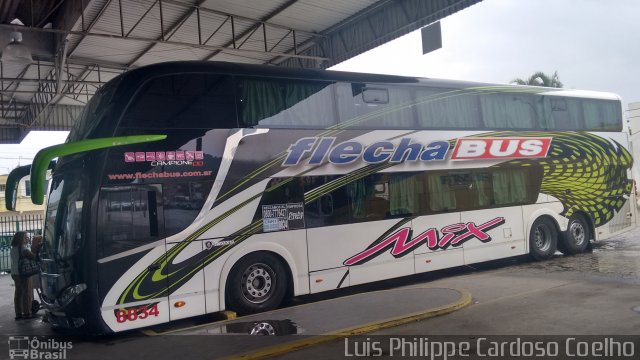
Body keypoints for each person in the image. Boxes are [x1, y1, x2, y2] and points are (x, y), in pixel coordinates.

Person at [10, 231, 36, 320]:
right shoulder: (23, 248)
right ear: (21, 238)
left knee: (18, 293)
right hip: (23, 273)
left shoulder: (13, 248)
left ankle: (18, 313)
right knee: (26, 293)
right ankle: (27, 313)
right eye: (26, 237)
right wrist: (36, 249)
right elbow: (33, 256)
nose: (28, 238)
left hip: (14, 273)